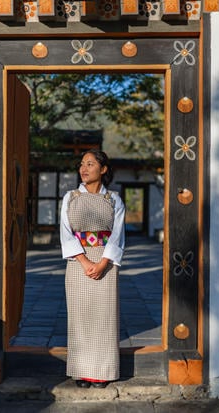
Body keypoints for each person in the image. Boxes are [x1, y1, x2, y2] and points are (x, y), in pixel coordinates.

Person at [60, 149, 125, 389]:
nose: (83, 168)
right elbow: (66, 233)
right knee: (80, 316)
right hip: (79, 263)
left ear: (103, 169)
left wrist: (103, 263)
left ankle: (102, 372)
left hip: (105, 264)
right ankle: (81, 370)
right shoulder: (71, 197)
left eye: (90, 164)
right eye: (81, 164)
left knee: (104, 318)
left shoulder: (114, 200)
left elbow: (117, 236)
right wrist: (86, 262)